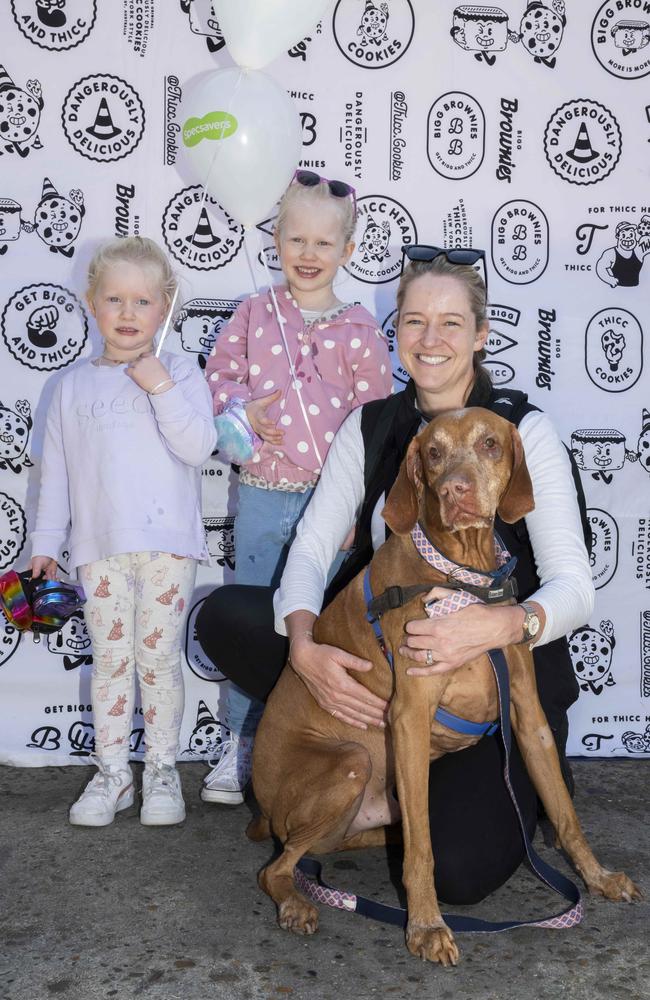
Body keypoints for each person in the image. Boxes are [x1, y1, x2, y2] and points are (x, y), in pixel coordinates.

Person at [196, 246, 594, 904]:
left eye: (450, 323)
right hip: (401, 670)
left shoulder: (523, 428)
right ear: (396, 332)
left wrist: (500, 622)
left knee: (460, 875)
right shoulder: (375, 425)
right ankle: (370, 744)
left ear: (481, 334)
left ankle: (514, 783)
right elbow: (315, 543)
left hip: (495, 692)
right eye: (413, 322)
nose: (430, 340)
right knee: (223, 616)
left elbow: (576, 590)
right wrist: (306, 650)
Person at [201, 170, 393, 805]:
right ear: (275, 241)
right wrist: (240, 410)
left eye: (323, 244)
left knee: (323, 626)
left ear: (348, 251)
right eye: (296, 240)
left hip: (330, 505)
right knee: (256, 616)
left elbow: (378, 426)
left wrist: (361, 511)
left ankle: (313, 739)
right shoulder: (256, 314)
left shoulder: (361, 330)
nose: (308, 256)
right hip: (261, 491)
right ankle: (239, 741)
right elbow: (219, 376)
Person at [31, 236, 216, 828]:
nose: (129, 313)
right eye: (115, 299)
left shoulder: (181, 370)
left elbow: (198, 447)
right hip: (98, 548)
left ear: (165, 307)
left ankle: (162, 769)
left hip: (167, 547)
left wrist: (159, 385)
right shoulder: (70, 386)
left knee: (156, 660)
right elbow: (56, 472)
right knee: (111, 660)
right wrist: (44, 545)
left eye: (142, 301)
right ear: (92, 302)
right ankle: (113, 774)